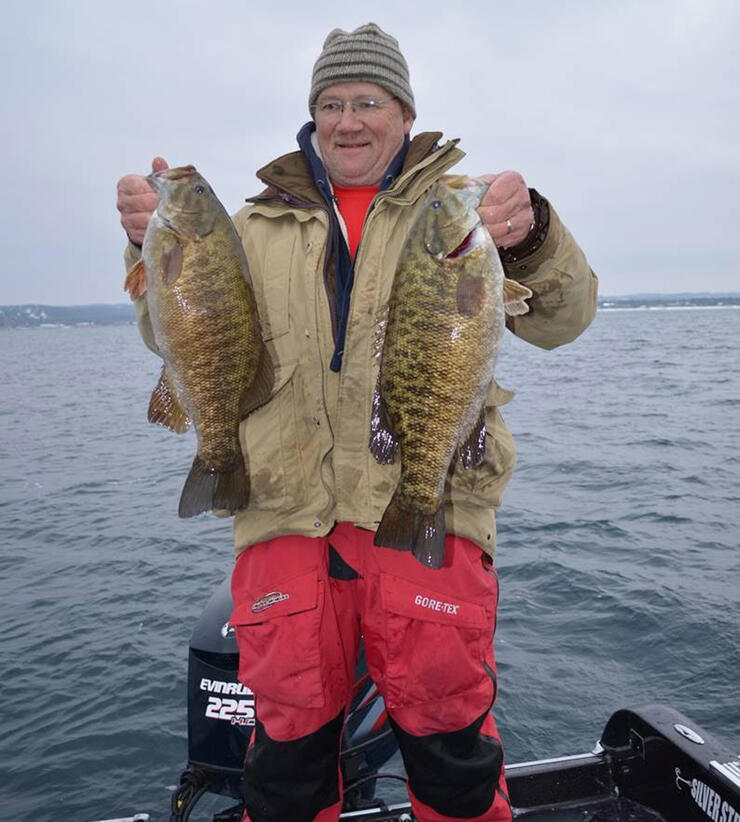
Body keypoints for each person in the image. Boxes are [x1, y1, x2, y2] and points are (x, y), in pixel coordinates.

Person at [116, 23, 597, 822]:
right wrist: (140, 242)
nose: (348, 120)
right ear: (312, 114)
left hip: (427, 496)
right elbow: (179, 332)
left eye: (367, 101)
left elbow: (563, 319)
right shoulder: (250, 226)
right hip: (282, 511)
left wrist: (536, 236)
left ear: (404, 114)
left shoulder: (461, 210)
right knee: (288, 753)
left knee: (448, 738)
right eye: (331, 103)